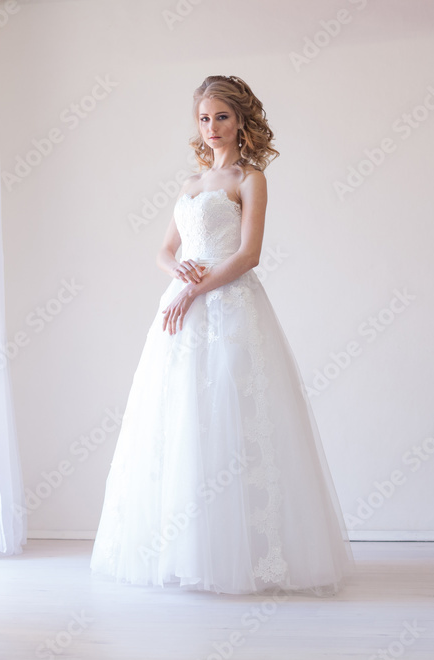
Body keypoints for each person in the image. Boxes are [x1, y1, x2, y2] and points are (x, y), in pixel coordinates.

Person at [88, 75, 355, 595]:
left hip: (230, 307)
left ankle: (249, 556)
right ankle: (185, 550)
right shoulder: (189, 185)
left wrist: (197, 288)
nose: (212, 128)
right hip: (182, 310)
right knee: (183, 420)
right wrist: (180, 278)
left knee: (236, 421)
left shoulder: (250, 179)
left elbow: (249, 254)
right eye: (204, 119)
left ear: (241, 120)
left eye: (221, 117)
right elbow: (164, 252)